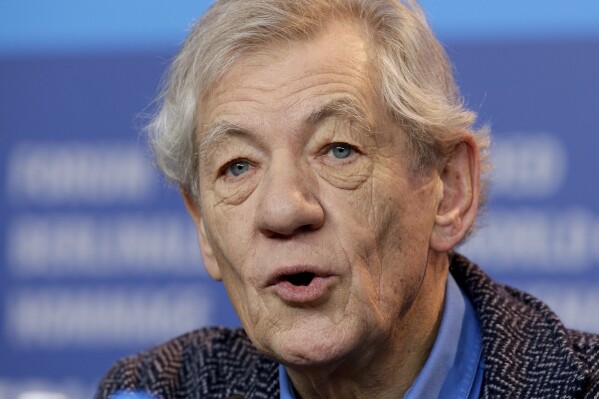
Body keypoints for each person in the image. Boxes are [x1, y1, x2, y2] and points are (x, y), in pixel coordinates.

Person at [96, 0, 599, 398]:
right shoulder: (150, 390)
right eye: (239, 166)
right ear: (203, 226)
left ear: (449, 189)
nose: (283, 210)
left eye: (338, 150)